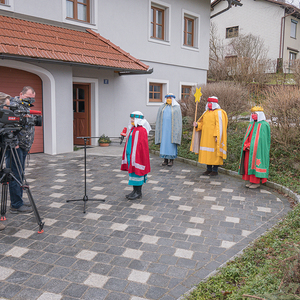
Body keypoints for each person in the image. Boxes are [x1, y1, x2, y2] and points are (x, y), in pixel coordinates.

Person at [5, 86, 36, 213]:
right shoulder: (13, 105)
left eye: (32, 99)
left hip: (23, 146)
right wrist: (15, 143)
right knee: (15, 174)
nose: (30, 101)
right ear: (21, 94)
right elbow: (9, 125)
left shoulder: (25, 106)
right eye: (28, 98)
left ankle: (19, 201)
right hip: (15, 147)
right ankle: (16, 204)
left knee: (20, 174)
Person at [191, 96, 228, 176]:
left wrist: (218, 136)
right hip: (205, 137)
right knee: (207, 153)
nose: (209, 104)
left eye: (211, 103)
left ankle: (215, 170)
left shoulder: (219, 112)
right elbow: (202, 123)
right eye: (209, 103)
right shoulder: (206, 113)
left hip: (213, 137)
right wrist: (197, 124)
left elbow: (220, 126)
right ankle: (208, 169)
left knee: (214, 154)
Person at [121, 111, 151, 200]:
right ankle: (134, 191)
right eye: (131, 119)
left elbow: (141, 145)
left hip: (138, 156)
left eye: (133, 119)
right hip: (131, 155)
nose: (131, 120)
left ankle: (138, 192)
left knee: (137, 172)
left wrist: (137, 155)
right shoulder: (133, 129)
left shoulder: (141, 130)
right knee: (133, 172)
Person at [238, 106, 271, 189]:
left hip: (258, 150)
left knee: (255, 164)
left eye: (255, 113)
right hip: (249, 149)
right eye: (252, 113)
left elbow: (262, 140)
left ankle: (256, 182)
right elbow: (248, 136)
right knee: (248, 164)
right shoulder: (251, 124)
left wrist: (252, 145)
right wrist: (246, 145)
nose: (253, 115)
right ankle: (250, 181)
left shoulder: (264, 125)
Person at [155, 93, 182, 167]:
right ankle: (165, 160)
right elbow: (159, 118)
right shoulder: (162, 107)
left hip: (172, 130)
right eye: (167, 98)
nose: (168, 99)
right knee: (164, 144)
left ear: (172, 99)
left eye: (170, 98)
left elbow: (178, 120)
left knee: (171, 144)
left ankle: (171, 160)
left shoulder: (177, 108)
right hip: (164, 130)